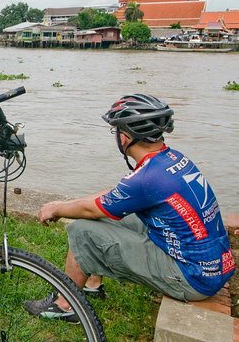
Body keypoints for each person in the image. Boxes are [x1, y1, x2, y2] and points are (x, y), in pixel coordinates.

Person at [24, 94, 235, 322]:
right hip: (212, 267)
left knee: (82, 230)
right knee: (108, 217)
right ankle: (92, 284)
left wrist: (57, 209)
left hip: (192, 278)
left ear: (125, 137)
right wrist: (64, 204)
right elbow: (112, 197)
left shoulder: (147, 178)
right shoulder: (170, 159)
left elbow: (90, 210)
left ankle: (66, 305)